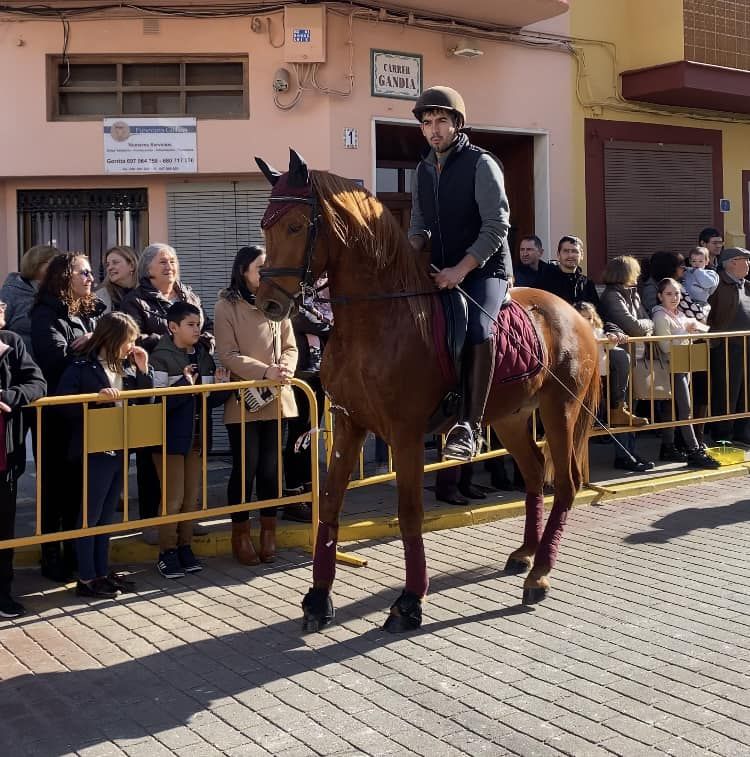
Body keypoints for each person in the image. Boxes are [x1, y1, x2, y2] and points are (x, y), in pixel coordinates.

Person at [408, 85, 510, 461]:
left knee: (478, 329)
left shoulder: (481, 163)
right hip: (442, 269)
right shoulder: (422, 169)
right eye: (428, 123)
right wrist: (408, 252)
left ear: (457, 125)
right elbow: (420, 225)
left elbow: (497, 227)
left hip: (486, 269)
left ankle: (469, 425)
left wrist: (461, 269)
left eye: (442, 121)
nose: (434, 129)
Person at [56, 312, 153, 598]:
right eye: (128, 341)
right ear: (112, 339)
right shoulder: (82, 366)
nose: (130, 346)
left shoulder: (127, 368)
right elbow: (63, 404)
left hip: (118, 446)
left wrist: (144, 370)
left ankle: (100, 571)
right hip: (94, 448)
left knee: (107, 515)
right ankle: (86, 576)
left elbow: (144, 402)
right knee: (91, 514)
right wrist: (96, 401)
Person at [214, 246, 298, 566]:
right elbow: (227, 354)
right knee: (245, 468)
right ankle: (241, 534)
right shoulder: (227, 305)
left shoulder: (279, 301)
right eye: (259, 268)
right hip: (245, 398)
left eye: (268, 267)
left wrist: (286, 367)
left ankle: (268, 532)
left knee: (271, 470)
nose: (265, 273)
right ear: (243, 271)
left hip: (278, 396)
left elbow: (290, 345)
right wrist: (265, 372)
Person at [121, 243, 213, 527]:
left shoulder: (188, 295)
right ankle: (151, 520)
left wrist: (203, 338)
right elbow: (134, 338)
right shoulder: (136, 300)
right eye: (162, 261)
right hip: (157, 380)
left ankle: (188, 520)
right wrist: (171, 340)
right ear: (147, 268)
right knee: (154, 457)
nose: (169, 265)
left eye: (172, 260)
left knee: (193, 452)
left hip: (193, 376)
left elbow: (206, 327)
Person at [31, 252, 106, 582]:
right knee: (54, 487)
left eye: (91, 273)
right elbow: (53, 359)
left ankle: (78, 553)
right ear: (65, 277)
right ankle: (51, 554)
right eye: (84, 272)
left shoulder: (93, 312)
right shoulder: (44, 313)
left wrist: (94, 340)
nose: (91, 278)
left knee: (80, 487)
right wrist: (89, 346)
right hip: (56, 415)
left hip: (87, 414)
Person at [150, 302, 230, 579]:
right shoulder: (160, 357)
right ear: (173, 327)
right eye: (191, 325)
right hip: (169, 439)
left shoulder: (204, 356)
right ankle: (167, 551)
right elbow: (156, 403)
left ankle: (185, 547)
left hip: (197, 438)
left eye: (199, 324)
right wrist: (184, 385)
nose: (197, 329)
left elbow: (207, 401)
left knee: (191, 498)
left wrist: (220, 389)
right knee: (173, 499)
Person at [0, 299, 46, 617]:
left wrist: (10, 397)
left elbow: (37, 383)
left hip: (4, 455)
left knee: (3, 528)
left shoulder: (12, 342)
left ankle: (3, 592)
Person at [652, 278, 718, 468]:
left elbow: (703, 330)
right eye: (669, 294)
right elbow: (665, 346)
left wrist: (692, 328)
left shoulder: (678, 313)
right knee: (684, 409)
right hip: (671, 366)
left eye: (677, 293)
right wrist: (686, 331)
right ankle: (693, 450)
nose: (674, 297)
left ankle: (668, 446)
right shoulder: (660, 316)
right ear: (660, 296)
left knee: (672, 408)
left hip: (683, 364)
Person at [598, 255, 652, 427]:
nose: (638, 274)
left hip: (636, 354)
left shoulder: (634, 295)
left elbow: (647, 321)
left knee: (633, 408)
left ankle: (631, 450)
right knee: (625, 405)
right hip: (623, 354)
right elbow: (635, 326)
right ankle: (623, 453)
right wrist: (645, 326)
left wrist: (644, 325)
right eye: (635, 271)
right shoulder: (612, 296)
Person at [707, 247, 750, 443]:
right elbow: (708, 314)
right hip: (725, 346)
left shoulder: (745, 285)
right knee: (726, 391)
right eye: (745, 260)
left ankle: (742, 430)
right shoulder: (717, 284)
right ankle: (723, 433)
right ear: (732, 262)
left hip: (746, 344)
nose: (748, 264)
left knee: (745, 390)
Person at [0, 244, 60, 355]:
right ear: (36, 265)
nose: (59, 269)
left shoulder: (56, 291)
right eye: (54, 264)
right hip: (22, 364)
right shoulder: (11, 292)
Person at [539, 235, 600, 309]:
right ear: (558, 255)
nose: (570, 255)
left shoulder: (587, 284)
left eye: (574, 251)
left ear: (582, 255)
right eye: (566, 251)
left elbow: (597, 314)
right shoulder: (545, 281)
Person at [96, 245, 139, 313]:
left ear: (132, 266)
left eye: (115, 263)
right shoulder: (100, 297)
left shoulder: (147, 293)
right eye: (108, 265)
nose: (109, 268)